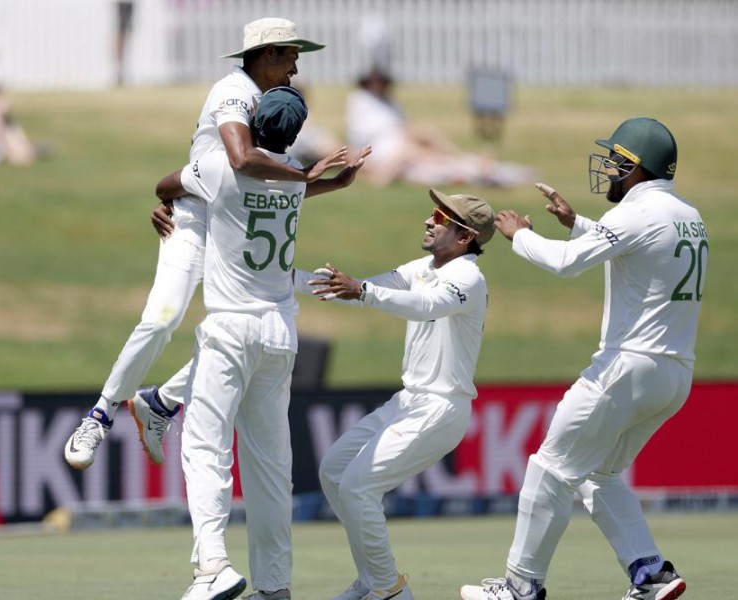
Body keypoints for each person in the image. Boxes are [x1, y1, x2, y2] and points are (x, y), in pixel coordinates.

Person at [64, 18, 346, 471]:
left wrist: (329, 183)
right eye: (292, 54)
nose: (297, 65)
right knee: (163, 317)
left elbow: (271, 181)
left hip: (234, 222)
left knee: (242, 330)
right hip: (195, 218)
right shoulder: (231, 91)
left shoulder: (272, 102)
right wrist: (307, 175)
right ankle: (100, 414)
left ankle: (160, 403)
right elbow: (239, 157)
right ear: (268, 53)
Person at [460, 117, 706, 600]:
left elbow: (567, 263)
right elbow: (640, 252)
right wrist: (578, 224)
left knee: (549, 467)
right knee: (599, 473)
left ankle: (519, 586)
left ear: (637, 167)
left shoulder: (636, 214)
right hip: (674, 373)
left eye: (617, 161)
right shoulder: (687, 213)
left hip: (627, 368)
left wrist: (518, 235)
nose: (610, 169)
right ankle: (650, 573)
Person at [155, 86, 367, 600]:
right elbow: (291, 184)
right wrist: (333, 182)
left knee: (205, 449)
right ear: (294, 133)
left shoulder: (221, 164)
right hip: (280, 333)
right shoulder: (295, 173)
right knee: (271, 472)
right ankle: (275, 589)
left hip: (230, 327)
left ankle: (213, 567)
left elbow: (165, 184)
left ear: (251, 122)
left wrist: (167, 202)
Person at [295, 191, 496, 600]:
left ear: (464, 237)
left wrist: (364, 291)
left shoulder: (467, 279)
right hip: (408, 402)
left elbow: (425, 306)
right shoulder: (422, 266)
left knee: (357, 487)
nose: (428, 220)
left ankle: (388, 590)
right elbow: (362, 290)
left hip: (441, 407)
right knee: (334, 471)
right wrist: (278, 275)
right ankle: (373, 580)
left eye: (440, 216)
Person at [345, 68, 535, 188]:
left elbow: (403, 126)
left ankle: (464, 159)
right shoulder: (360, 100)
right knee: (416, 150)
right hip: (381, 148)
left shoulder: (390, 102)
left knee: (424, 133)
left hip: (397, 141)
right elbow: (368, 133)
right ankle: (470, 166)